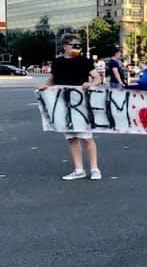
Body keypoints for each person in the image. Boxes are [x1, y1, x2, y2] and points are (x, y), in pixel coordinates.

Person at [38, 35, 103, 181]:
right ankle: (79, 169)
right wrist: (45, 86)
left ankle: (94, 168)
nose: (77, 48)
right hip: (63, 103)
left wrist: (91, 84)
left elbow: (97, 78)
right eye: (74, 45)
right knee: (71, 137)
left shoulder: (84, 61)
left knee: (87, 137)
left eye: (79, 45)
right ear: (65, 46)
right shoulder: (58, 62)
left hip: (81, 103)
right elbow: (53, 79)